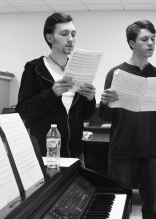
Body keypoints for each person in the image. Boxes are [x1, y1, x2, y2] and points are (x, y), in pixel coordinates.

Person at [98, 19, 156, 218]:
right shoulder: (116, 73)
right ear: (132, 43)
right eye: (145, 39)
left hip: (153, 150)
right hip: (122, 149)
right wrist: (105, 102)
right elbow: (105, 116)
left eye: (153, 39)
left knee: (151, 208)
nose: (151, 43)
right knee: (118, 205)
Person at [16, 12, 96, 167]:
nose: (71, 39)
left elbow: (86, 115)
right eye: (64, 34)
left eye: (73, 34)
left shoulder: (78, 68)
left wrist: (90, 98)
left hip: (76, 154)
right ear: (50, 38)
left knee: (77, 191)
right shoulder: (35, 69)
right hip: (45, 155)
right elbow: (23, 110)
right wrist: (52, 93)